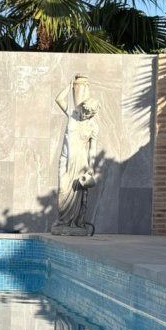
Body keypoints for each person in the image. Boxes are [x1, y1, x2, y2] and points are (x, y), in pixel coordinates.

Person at [51, 75, 99, 233]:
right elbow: (58, 99)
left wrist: (91, 167)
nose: (85, 116)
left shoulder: (93, 127)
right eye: (85, 112)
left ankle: (75, 223)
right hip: (66, 160)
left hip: (81, 163)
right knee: (63, 191)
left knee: (78, 195)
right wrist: (70, 85)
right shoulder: (73, 115)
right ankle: (62, 222)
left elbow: (92, 149)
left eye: (89, 114)